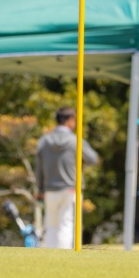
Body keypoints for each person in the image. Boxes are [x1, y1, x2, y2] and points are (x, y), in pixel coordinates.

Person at [36, 106, 99, 249]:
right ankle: (63, 255)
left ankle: (50, 255)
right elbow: (93, 158)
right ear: (70, 120)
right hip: (70, 188)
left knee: (51, 225)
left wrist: (39, 189)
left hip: (50, 189)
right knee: (66, 224)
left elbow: (38, 168)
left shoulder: (44, 141)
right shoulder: (75, 141)